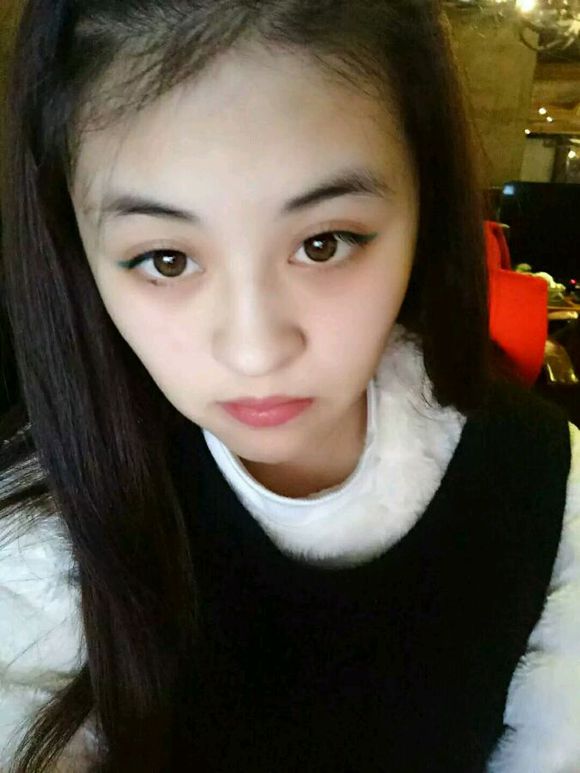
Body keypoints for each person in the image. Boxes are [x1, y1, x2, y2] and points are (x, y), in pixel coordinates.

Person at [0, 1, 578, 771]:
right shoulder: (34, 546)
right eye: (166, 259)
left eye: (324, 242)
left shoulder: (547, 484)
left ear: (424, 207)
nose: (254, 351)